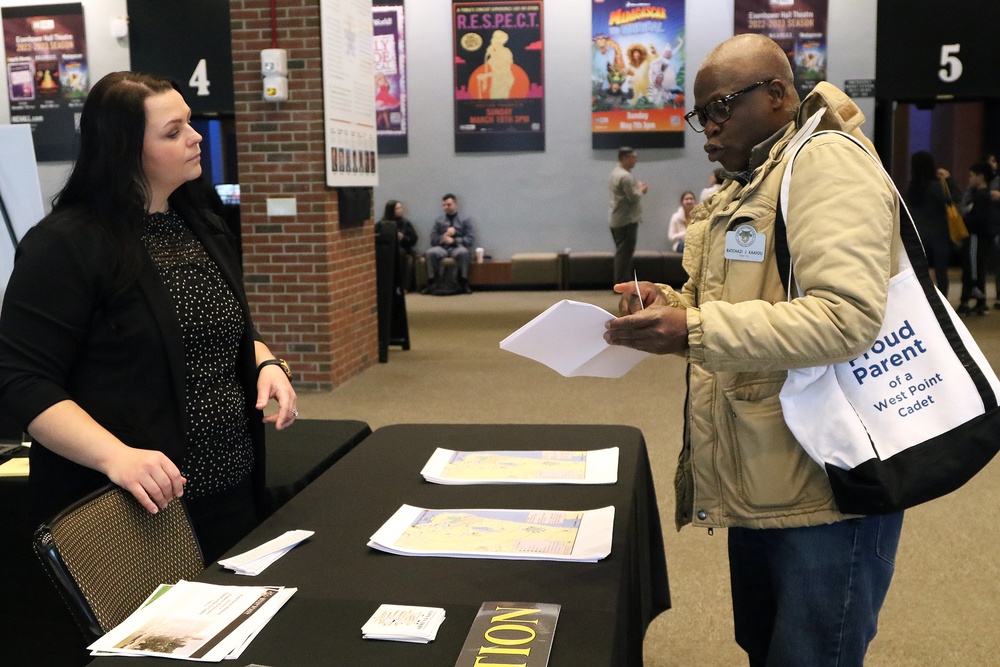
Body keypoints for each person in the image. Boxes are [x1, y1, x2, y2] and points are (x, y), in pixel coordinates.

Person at [605, 34, 904, 665]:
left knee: (811, 653)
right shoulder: (743, 187)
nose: (706, 128)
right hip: (764, 473)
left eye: (720, 107)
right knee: (767, 648)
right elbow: (727, 295)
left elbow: (846, 318)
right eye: (700, 114)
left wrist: (692, 329)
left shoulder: (826, 162)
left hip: (828, 488)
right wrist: (665, 300)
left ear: (776, 95)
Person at [0, 72, 298, 565]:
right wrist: (116, 457)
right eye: (173, 130)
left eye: (189, 124)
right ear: (124, 150)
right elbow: (23, 379)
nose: (196, 136)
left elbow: (225, 329)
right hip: (134, 510)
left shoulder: (201, 223)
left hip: (232, 489)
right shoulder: (65, 244)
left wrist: (264, 361)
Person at [906, 151, 961, 297]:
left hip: (918, 236)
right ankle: (943, 302)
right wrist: (948, 179)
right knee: (941, 273)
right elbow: (956, 197)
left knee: (919, 273)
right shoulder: (936, 186)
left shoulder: (911, 188)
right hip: (939, 236)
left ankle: (921, 301)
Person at [957, 161, 995, 315]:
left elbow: (977, 219)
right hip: (979, 237)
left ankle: (972, 298)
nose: (969, 179)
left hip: (976, 237)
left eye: (972, 176)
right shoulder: (981, 195)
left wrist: (964, 221)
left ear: (981, 177)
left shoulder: (981, 196)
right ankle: (979, 301)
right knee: (976, 267)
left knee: (973, 268)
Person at [609, 146, 648, 284]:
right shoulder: (625, 176)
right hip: (627, 219)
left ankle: (623, 280)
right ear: (624, 158)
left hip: (617, 218)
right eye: (633, 158)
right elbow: (633, 198)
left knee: (622, 252)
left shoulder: (616, 172)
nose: (635, 160)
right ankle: (621, 282)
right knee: (624, 254)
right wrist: (642, 189)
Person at [424, 193, 475, 294]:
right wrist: (445, 236)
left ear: (455, 204)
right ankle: (431, 282)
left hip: (457, 247)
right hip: (442, 248)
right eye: (444, 205)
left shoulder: (465, 220)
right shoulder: (439, 220)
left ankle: (464, 282)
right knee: (430, 253)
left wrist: (455, 240)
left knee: (463, 252)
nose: (446, 207)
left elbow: (470, 239)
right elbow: (433, 240)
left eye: (449, 204)